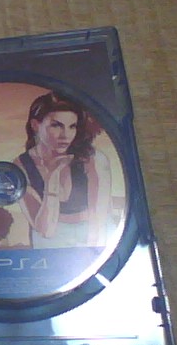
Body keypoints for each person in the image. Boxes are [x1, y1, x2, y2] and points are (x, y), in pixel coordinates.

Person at [13, 92, 112, 248]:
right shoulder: (21, 166)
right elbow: (46, 231)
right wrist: (52, 177)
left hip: (92, 235)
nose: (65, 135)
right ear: (35, 125)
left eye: (72, 126)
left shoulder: (93, 159)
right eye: (56, 125)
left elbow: (99, 220)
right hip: (47, 239)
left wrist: (94, 253)